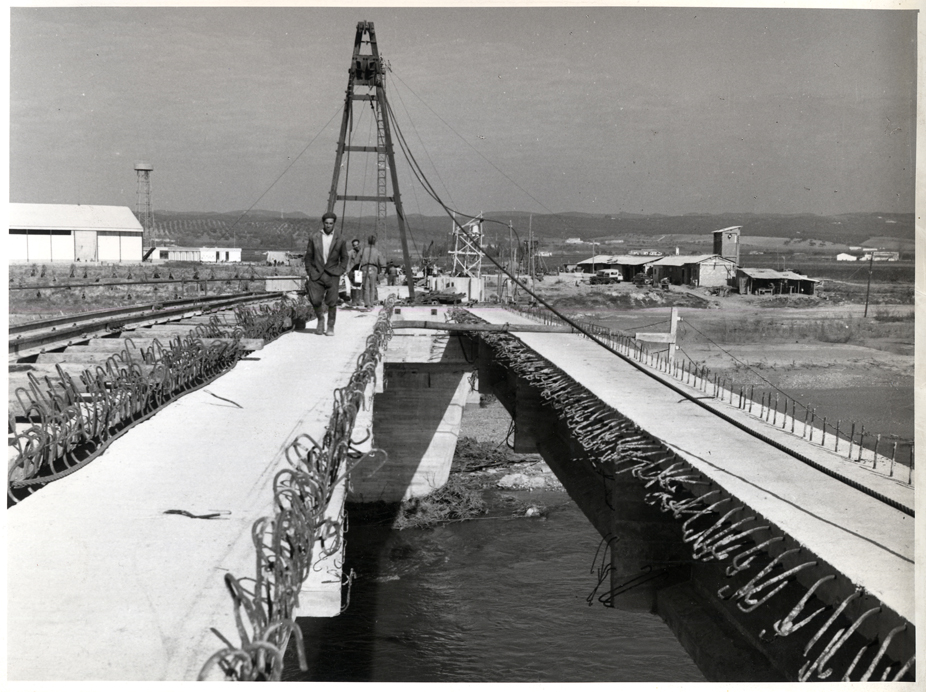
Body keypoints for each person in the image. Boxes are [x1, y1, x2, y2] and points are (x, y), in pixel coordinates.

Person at [304, 211, 350, 335]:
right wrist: (310, 270)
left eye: (331, 223)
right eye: (326, 223)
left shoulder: (340, 239)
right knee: (315, 300)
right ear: (323, 223)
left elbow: (344, 257)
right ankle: (320, 319)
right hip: (317, 274)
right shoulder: (314, 237)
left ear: (334, 223)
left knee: (332, 301)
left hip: (332, 274)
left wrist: (340, 270)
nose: (328, 225)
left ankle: (330, 326)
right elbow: (308, 256)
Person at [358, 235, 385, 308]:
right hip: (373, 269)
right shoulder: (377, 251)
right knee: (373, 286)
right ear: (375, 242)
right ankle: (372, 302)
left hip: (364, 268)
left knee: (366, 286)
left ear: (368, 241)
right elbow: (382, 263)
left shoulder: (363, 250)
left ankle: (367, 303)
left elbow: (357, 260)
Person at [347, 238, 362, 306]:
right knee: (353, 286)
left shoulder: (362, 252)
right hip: (352, 272)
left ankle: (358, 301)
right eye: (354, 245)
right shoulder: (350, 253)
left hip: (359, 272)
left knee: (358, 286)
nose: (356, 246)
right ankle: (354, 301)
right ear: (353, 246)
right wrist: (348, 272)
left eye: (357, 244)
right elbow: (348, 263)